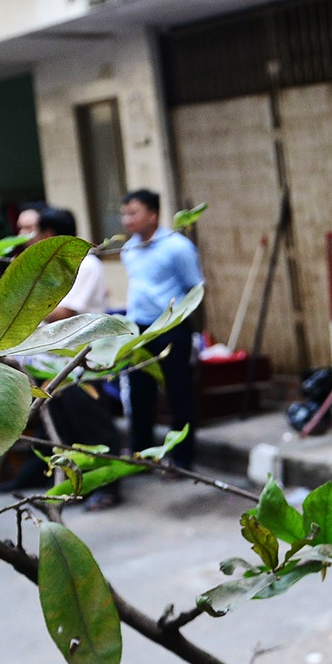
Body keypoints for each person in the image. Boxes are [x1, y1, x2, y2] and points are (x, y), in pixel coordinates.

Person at [23, 205, 124, 510]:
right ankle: (75, 487)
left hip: (81, 360)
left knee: (93, 426)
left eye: (31, 231)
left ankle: (109, 487)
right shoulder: (47, 266)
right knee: (63, 430)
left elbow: (66, 313)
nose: (24, 238)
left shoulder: (86, 264)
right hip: (51, 363)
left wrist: (24, 302)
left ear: (49, 234)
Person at [119, 189, 202, 469]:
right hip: (139, 329)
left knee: (178, 394)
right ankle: (141, 456)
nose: (127, 220)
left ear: (153, 215)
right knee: (139, 393)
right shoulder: (128, 248)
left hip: (171, 329)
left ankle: (181, 459)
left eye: (133, 213)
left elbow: (195, 289)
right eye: (124, 213)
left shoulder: (177, 247)